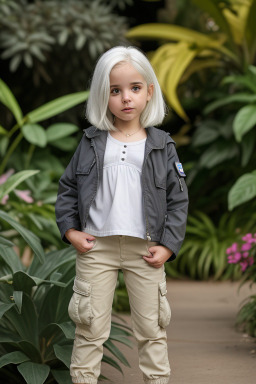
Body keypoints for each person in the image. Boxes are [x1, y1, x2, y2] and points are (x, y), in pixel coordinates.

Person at [55, 45, 189, 384]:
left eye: (134, 88)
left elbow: (178, 200)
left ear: (149, 93)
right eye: (115, 90)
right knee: (89, 329)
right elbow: (68, 188)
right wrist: (70, 231)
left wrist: (169, 245)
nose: (126, 98)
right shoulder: (90, 142)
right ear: (103, 95)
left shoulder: (162, 145)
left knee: (152, 330)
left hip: (146, 250)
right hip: (95, 247)